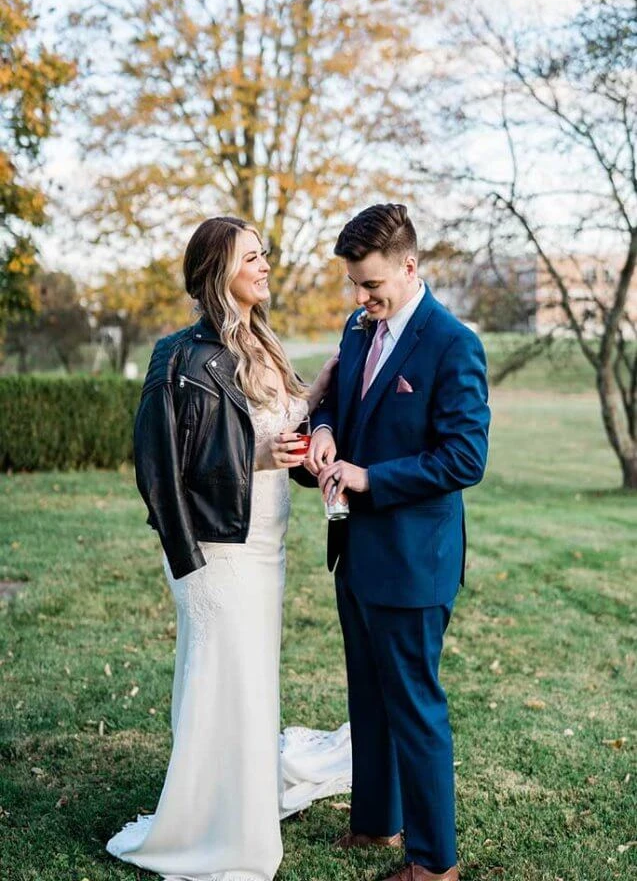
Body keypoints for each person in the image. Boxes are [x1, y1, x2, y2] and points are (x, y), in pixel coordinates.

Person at [106, 216, 350, 881]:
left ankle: (240, 792)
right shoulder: (177, 357)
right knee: (221, 677)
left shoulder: (264, 343)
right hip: (217, 551)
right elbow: (159, 468)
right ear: (220, 272)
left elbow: (280, 428)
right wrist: (255, 459)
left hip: (266, 545)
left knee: (250, 678)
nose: (265, 266)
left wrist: (318, 397)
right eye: (251, 258)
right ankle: (214, 825)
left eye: (264, 255)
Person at [306, 203, 490, 881]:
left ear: (410, 267)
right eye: (354, 284)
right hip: (354, 552)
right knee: (367, 696)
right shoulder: (359, 329)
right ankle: (375, 823)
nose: (360, 298)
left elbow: (465, 458)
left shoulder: (453, 344)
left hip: (415, 562)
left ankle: (434, 863)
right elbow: (337, 401)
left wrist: (369, 477)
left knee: (414, 707)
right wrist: (324, 430)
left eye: (372, 285)